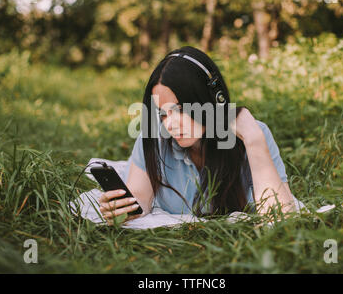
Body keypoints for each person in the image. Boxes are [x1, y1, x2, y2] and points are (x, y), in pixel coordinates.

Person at [98, 46, 300, 226]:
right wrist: (121, 209)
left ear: (212, 100)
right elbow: (140, 199)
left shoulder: (254, 134)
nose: (170, 124)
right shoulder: (153, 136)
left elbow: (281, 217)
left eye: (180, 109)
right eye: (162, 113)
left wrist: (253, 140)